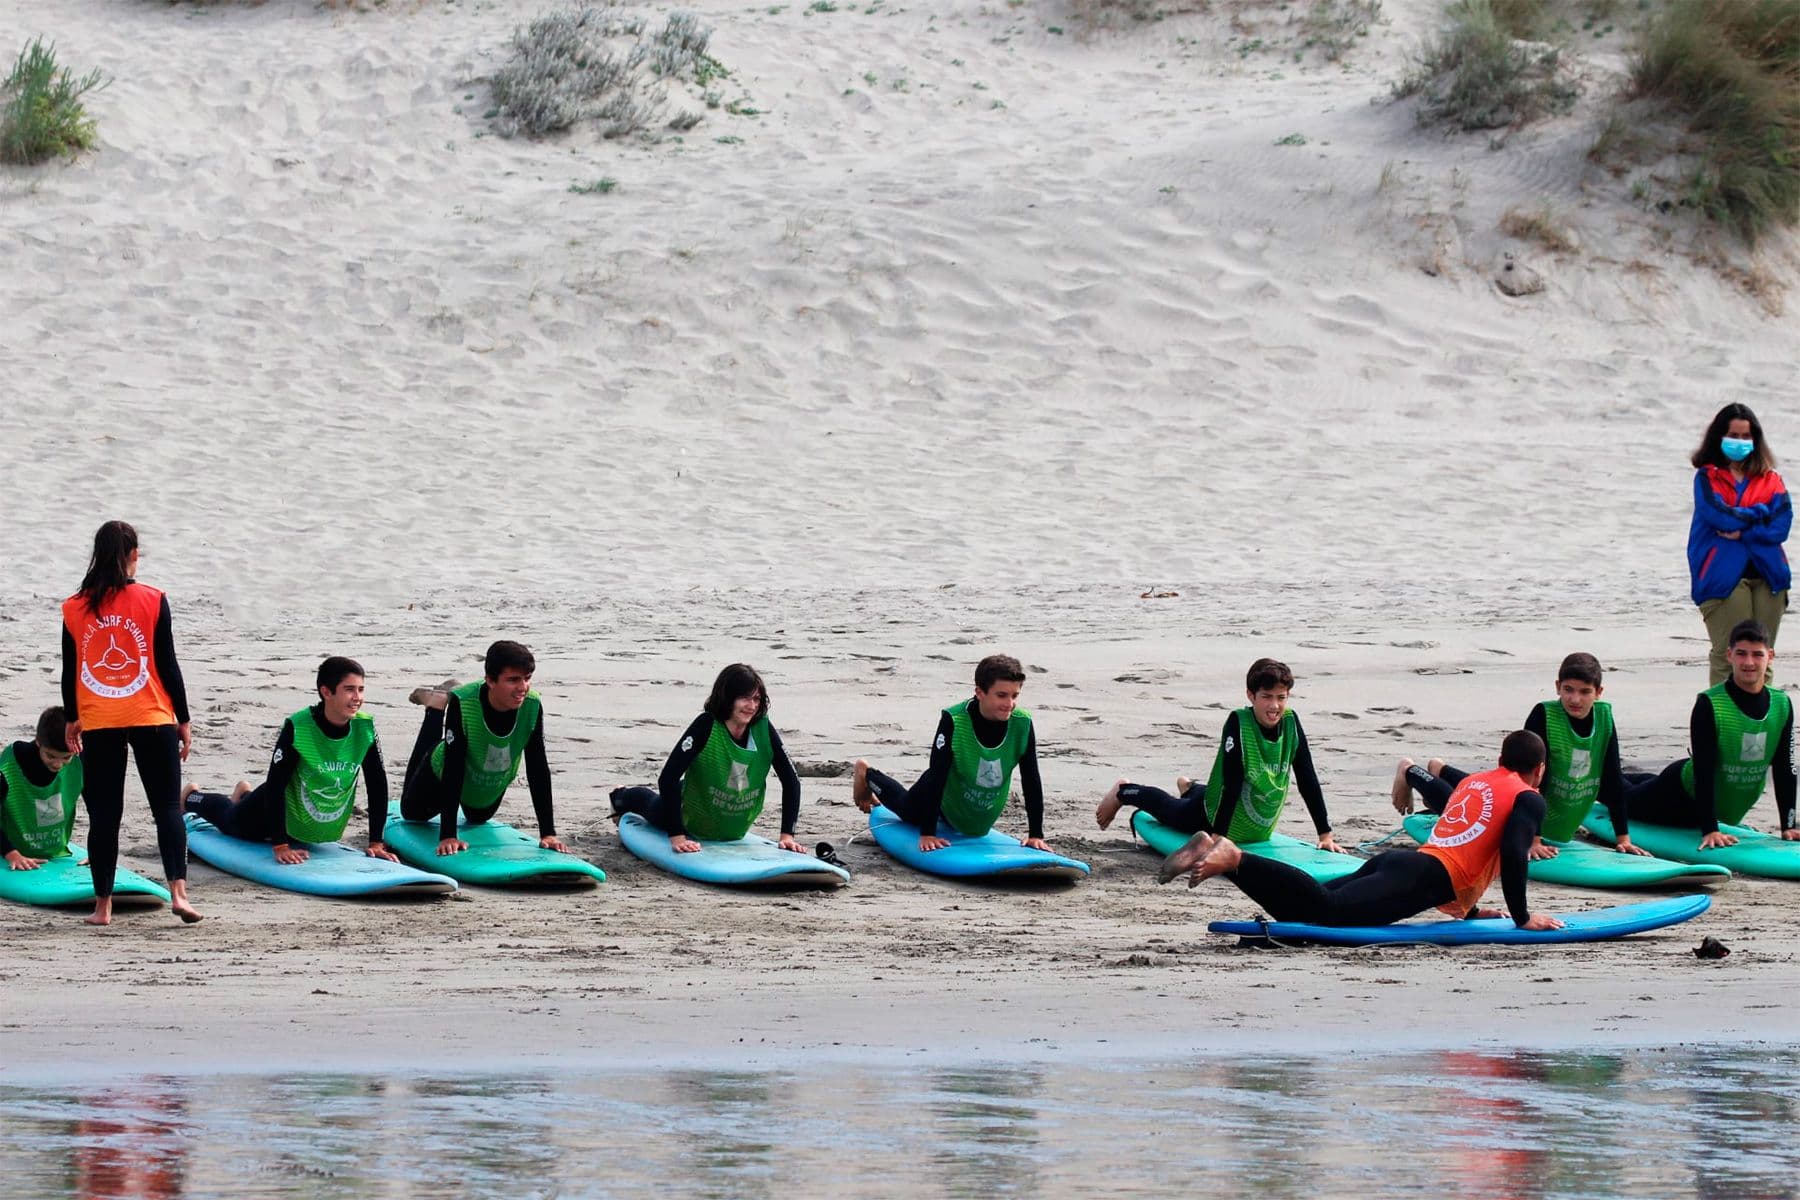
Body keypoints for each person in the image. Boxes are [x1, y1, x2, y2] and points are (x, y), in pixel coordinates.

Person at [1161, 730, 1562, 931]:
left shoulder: (1476, 782)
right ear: (1539, 770)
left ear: (1499, 759)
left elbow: (1468, 836)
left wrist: (1469, 909)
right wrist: (1522, 916)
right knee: (1325, 910)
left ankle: (1221, 857)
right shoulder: (1529, 797)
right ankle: (1234, 856)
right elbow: (1511, 851)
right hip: (1424, 878)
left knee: (1302, 910)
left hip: (1405, 864)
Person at [60, 521, 200, 925]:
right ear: (133, 555)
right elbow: (168, 665)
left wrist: (73, 718)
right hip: (151, 715)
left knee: (105, 814)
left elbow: (71, 671)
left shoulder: (74, 606)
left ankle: (102, 907)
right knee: (167, 809)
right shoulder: (154, 599)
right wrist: (183, 718)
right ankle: (179, 894)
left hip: (100, 720)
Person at [1390, 652, 1647, 859]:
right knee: (1460, 806)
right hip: (1517, 805)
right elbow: (1526, 781)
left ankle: (1441, 769)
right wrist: (1532, 838)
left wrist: (1623, 839)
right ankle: (1410, 771)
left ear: (1599, 692)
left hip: (1557, 824)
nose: (1575, 699)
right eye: (1568, 690)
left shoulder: (1603, 717)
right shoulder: (1544, 715)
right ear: (1557, 687)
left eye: (1584, 692)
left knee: (1477, 789)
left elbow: (1612, 777)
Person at [1094, 657, 1341, 853]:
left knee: (1200, 795)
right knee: (1171, 810)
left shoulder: (1291, 722)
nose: (1274, 706)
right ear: (1250, 695)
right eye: (1266, 697)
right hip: (1213, 816)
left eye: (1281, 697)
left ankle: (1190, 787)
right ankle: (1124, 791)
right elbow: (1232, 784)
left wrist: (1325, 834)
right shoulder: (1239, 723)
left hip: (1254, 825)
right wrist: (1218, 837)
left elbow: (1307, 777)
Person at [182, 657, 396, 863]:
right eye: (349, 689)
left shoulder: (364, 728)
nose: (357, 697)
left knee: (250, 812)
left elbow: (377, 783)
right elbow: (275, 786)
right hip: (273, 806)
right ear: (326, 692)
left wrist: (376, 841)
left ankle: (244, 794)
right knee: (232, 822)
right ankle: (192, 797)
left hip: (303, 816)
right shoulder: (300, 728)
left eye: (360, 689)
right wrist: (280, 845)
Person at [1614, 620, 1796, 849]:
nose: (1748, 662)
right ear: (1729, 655)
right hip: (1681, 797)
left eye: (1757, 655)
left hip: (1715, 800)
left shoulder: (1781, 704)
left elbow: (1785, 769)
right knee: (1622, 797)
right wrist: (1710, 828)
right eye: (1741, 654)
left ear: (1770, 655)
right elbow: (1703, 772)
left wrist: (1788, 825)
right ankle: (1602, 775)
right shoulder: (1710, 703)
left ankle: (1630, 776)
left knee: (1643, 782)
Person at [851, 654, 1055, 854]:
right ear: (980, 692)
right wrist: (928, 833)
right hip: (942, 794)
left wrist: (1036, 834)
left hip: (975, 808)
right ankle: (866, 773)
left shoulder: (1022, 723)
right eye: (1001, 695)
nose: (1009, 703)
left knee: (974, 828)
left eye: (1014, 695)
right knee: (908, 812)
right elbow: (937, 775)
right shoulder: (955, 720)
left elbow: (1031, 778)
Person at [609, 664, 806, 852]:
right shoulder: (706, 726)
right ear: (728, 698)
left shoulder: (763, 730)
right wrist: (677, 836)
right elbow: (668, 778)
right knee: (650, 804)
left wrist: (787, 836)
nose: (752, 706)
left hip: (727, 818)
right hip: (690, 810)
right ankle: (620, 796)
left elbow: (792, 781)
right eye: (745, 698)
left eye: (756, 699)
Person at [399, 640, 565, 856]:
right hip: (443, 770)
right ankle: (436, 705)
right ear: (490, 681)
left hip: (488, 778)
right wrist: (448, 834)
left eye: (527, 678)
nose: (522, 687)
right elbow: (453, 767)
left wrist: (548, 833)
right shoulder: (464, 703)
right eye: (513, 680)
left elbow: (537, 767)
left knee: (479, 817)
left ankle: (439, 703)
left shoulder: (532, 705)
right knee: (412, 814)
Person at [1688, 403, 1789, 686]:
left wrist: (1745, 531)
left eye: (1746, 436)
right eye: (1734, 435)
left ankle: (1765, 725)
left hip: (1769, 576)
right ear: (1719, 436)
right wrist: (1761, 516)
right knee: (1727, 657)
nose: (1740, 442)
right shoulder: (1707, 478)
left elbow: (1782, 525)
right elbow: (1719, 516)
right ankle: (1720, 723)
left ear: (1755, 440)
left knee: (1761, 658)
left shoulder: (1771, 479)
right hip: (1722, 578)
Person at [1, 707, 84, 871]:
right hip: (9, 849)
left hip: (55, 852)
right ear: (38, 741)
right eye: (51, 756)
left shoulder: (79, 761)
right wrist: (11, 854)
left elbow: (99, 808)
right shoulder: (8, 768)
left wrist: (97, 851)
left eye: (66, 757)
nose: (58, 764)